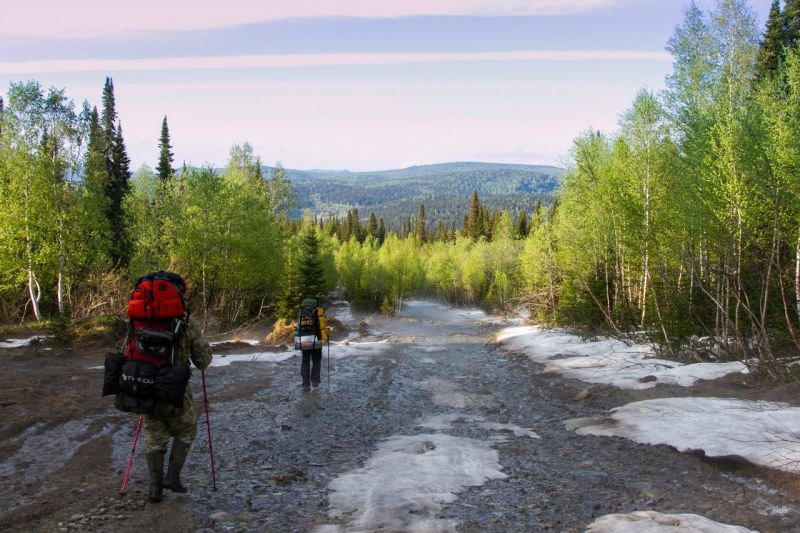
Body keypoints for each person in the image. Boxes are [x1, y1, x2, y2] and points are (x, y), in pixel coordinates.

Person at [111, 272, 212, 503]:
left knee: (155, 436)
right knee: (186, 430)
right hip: (174, 390)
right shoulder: (185, 323)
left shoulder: (136, 322)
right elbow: (203, 360)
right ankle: (173, 478)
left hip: (142, 388)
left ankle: (155, 488)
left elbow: (126, 352)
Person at [296, 298, 327, 390]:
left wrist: (298, 342)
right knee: (316, 361)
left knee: (305, 362)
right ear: (315, 304)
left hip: (304, 341)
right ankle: (315, 382)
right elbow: (322, 327)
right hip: (316, 341)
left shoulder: (301, 313)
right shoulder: (319, 312)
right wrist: (325, 338)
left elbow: (298, 329)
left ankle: (305, 384)